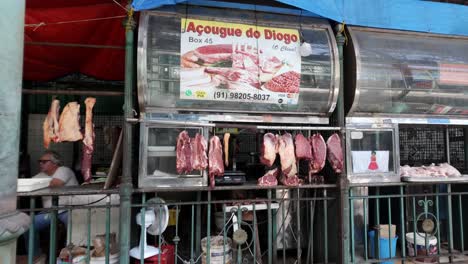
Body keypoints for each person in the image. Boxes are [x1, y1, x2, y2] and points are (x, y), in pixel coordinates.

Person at [24, 150, 79, 256]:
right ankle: (35, 256)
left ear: (55, 163)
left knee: (74, 226)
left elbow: (56, 183)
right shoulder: (41, 175)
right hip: (49, 212)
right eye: (39, 161)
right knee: (28, 225)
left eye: (44, 161)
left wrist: (35, 184)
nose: (41, 163)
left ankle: (69, 255)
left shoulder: (64, 170)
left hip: (68, 209)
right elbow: (27, 185)